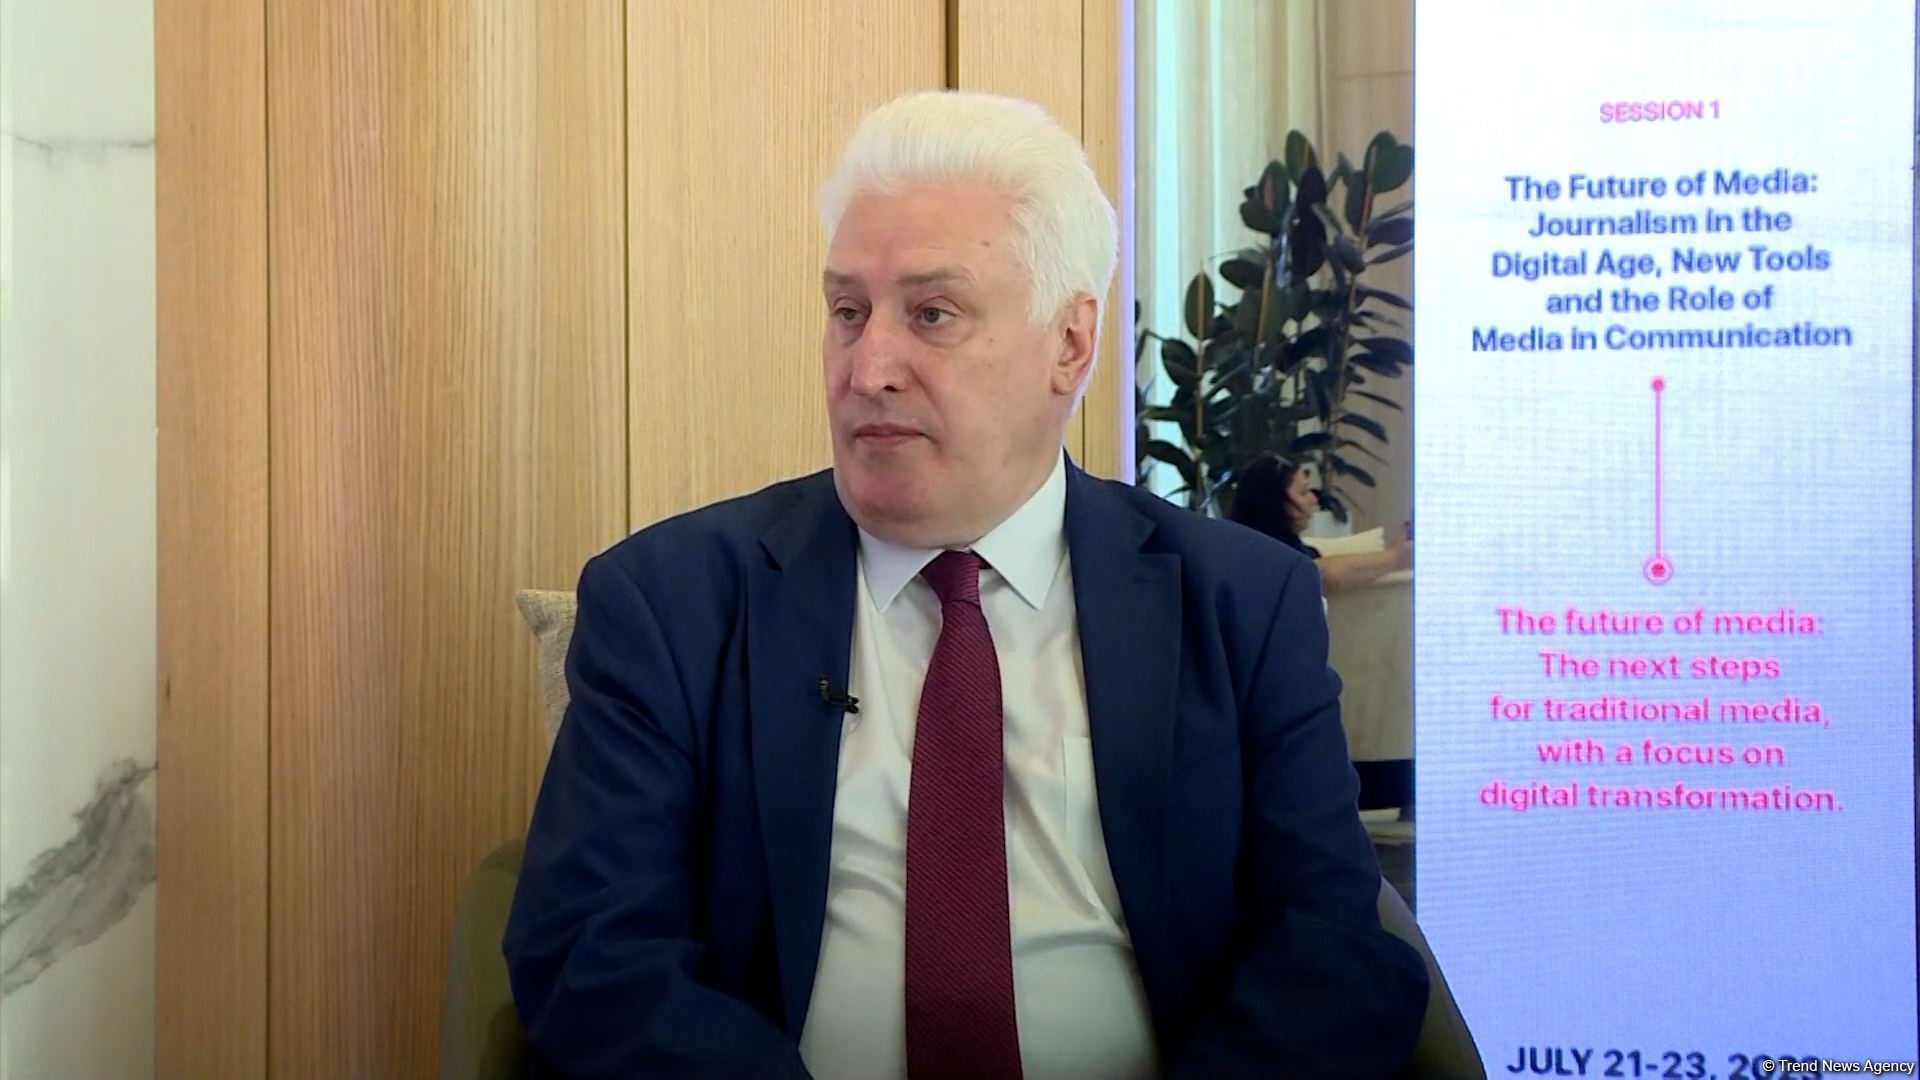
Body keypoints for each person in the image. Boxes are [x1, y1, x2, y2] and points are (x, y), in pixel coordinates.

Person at [503, 90, 1429, 1079]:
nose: (869, 367)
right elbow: (591, 953)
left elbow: (1332, 951)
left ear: (1070, 343)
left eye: (932, 314)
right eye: (847, 312)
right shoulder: (670, 603)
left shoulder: (1242, 604)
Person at [1230, 455, 1414, 592]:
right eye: (1303, 493)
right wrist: (1395, 557)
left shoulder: (1289, 547)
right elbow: (1322, 575)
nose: (1314, 499)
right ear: (1275, 505)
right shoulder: (1259, 558)